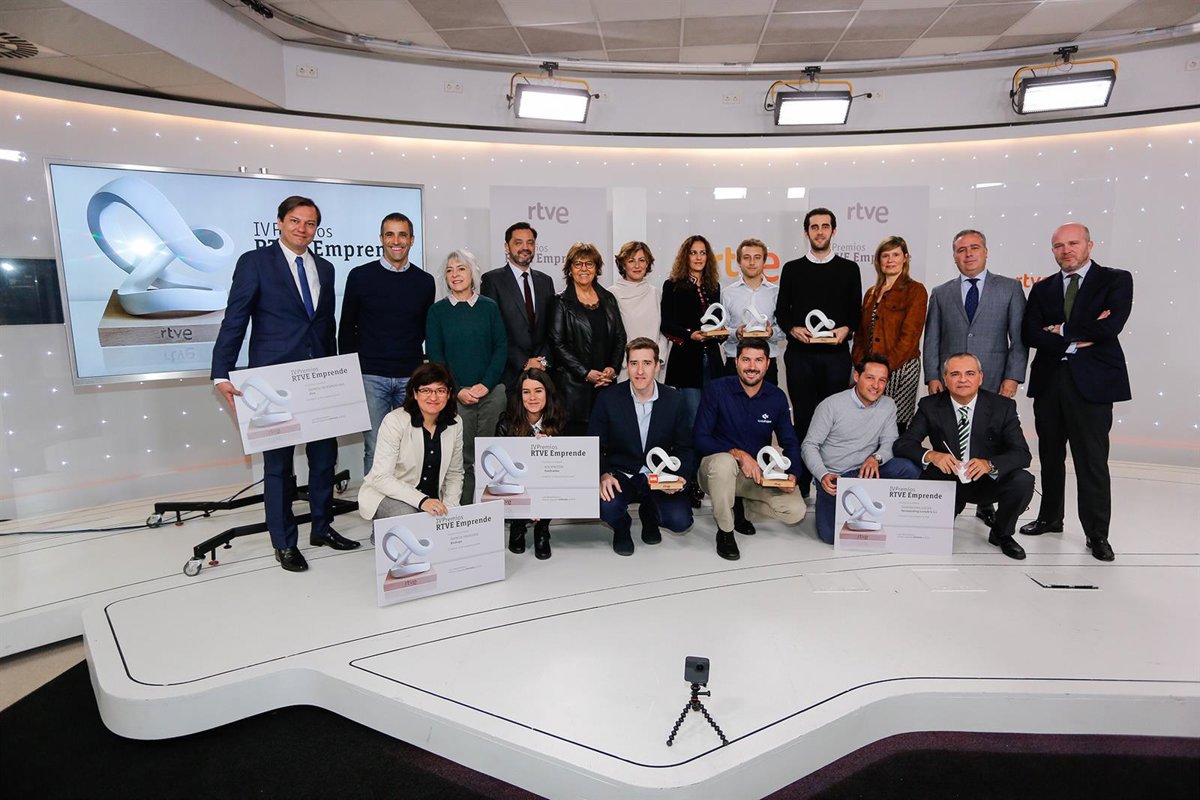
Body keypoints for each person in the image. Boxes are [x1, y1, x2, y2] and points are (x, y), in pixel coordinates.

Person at [211, 196, 358, 573]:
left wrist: (338, 373)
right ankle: (284, 543)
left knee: (324, 459)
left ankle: (322, 528)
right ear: (279, 222)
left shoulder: (325, 268)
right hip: (273, 382)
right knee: (278, 467)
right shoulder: (255, 262)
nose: (302, 229)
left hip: (319, 380)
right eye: (295, 221)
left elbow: (324, 325)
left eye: (310, 223)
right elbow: (235, 319)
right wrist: (221, 372)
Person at [1019, 223, 1133, 562]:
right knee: (1050, 456)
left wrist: (1060, 329)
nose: (1066, 250)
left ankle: (1097, 534)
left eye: (1073, 243)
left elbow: (1110, 326)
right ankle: (1050, 518)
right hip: (1049, 383)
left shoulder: (1115, 279)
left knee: (1091, 461)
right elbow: (1030, 333)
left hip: (1093, 384)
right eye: (1058, 246)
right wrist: (1077, 336)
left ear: (1089, 245)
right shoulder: (1043, 288)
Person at [922, 229, 1027, 528]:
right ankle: (955, 493)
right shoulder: (941, 292)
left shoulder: (1009, 288)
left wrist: (1013, 377)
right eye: (961, 250)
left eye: (974, 248)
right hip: (951, 380)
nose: (968, 254)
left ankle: (986, 501)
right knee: (957, 435)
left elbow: (1018, 339)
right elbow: (932, 338)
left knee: (988, 437)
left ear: (986, 252)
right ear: (954, 256)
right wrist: (933, 375)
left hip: (992, 377)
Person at [894, 353, 1034, 560]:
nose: (962, 380)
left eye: (970, 373)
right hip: (947, 480)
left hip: (986, 480)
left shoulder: (1002, 407)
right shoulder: (929, 405)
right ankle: (940, 522)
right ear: (945, 378)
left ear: (980, 377)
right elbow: (903, 444)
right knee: (928, 542)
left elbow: (1022, 454)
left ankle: (1002, 532)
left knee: (1023, 480)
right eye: (955, 374)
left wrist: (989, 464)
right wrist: (931, 455)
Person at [339, 212, 435, 476]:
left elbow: (425, 329)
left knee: (412, 448)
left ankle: (408, 501)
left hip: (410, 377)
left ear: (412, 240)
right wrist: (349, 375)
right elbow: (346, 328)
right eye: (390, 234)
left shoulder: (425, 282)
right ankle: (377, 502)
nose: (396, 241)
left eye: (402, 235)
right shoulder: (360, 276)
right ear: (381, 238)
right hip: (371, 377)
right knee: (375, 447)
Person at [775, 208, 863, 497]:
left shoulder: (849, 269)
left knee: (835, 420)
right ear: (806, 232)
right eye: (814, 227)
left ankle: (830, 481)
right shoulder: (792, 269)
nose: (820, 231)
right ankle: (802, 481)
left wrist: (847, 329)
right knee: (803, 418)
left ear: (833, 231)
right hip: (800, 356)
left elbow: (856, 311)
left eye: (825, 226)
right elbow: (781, 311)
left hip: (836, 357)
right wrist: (793, 329)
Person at [694, 338, 806, 561]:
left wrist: (793, 474)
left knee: (795, 510)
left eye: (758, 360)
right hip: (715, 472)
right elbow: (700, 438)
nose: (752, 366)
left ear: (767, 363)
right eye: (746, 360)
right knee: (724, 463)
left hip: (755, 475)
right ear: (736, 361)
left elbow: (790, 441)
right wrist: (737, 453)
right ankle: (725, 531)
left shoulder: (776, 397)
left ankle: (741, 508)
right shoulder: (716, 389)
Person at [588, 337, 695, 556]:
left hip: (659, 477)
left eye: (646, 363)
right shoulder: (608, 398)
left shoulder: (674, 400)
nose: (639, 371)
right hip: (621, 474)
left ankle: (649, 515)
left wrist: (681, 478)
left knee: (680, 520)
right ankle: (622, 527)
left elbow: (685, 447)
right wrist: (603, 474)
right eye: (634, 363)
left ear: (657, 366)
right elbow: (593, 444)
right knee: (605, 505)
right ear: (627, 366)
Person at [801, 355, 922, 545]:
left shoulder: (888, 405)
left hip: (867, 470)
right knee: (832, 536)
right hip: (835, 476)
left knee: (909, 468)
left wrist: (876, 458)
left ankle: (886, 511)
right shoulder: (831, 405)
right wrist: (823, 474)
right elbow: (809, 445)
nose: (876, 386)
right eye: (870, 378)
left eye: (882, 380)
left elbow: (890, 442)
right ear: (857, 376)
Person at [425, 249, 507, 505]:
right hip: (456, 396)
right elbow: (436, 357)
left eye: (461, 268)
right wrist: (457, 389)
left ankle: (492, 510)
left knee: (492, 455)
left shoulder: (489, 307)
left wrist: (486, 384)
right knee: (463, 458)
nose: (455, 274)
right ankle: (466, 513)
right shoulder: (437, 312)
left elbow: (501, 348)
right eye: (449, 270)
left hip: (491, 394)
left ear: (473, 273)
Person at [660, 234, 725, 508]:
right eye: (693, 253)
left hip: (713, 362)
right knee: (689, 425)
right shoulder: (673, 285)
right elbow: (666, 324)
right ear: (685, 256)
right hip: (686, 363)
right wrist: (690, 334)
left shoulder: (713, 286)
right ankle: (687, 482)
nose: (698, 257)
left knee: (711, 423)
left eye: (702, 253)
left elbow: (718, 321)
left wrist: (720, 333)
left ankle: (703, 479)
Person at [357, 363, 463, 528]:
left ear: (449, 394)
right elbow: (381, 477)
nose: (433, 397)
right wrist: (422, 501)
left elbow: (454, 473)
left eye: (440, 391)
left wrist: (451, 511)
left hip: (431, 498)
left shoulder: (455, 422)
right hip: (391, 495)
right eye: (426, 390)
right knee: (407, 516)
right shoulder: (395, 421)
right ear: (414, 393)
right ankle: (382, 531)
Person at [547, 242, 626, 435]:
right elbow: (557, 344)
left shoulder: (608, 299)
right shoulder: (560, 302)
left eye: (589, 264)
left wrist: (613, 368)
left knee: (606, 440)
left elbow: (620, 336)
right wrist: (585, 373)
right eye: (578, 264)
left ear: (597, 268)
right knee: (577, 442)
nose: (584, 269)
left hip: (605, 385)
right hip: (573, 389)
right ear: (570, 269)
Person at [850, 236, 929, 431]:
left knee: (895, 424)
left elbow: (910, 337)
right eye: (885, 255)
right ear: (878, 260)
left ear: (905, 258)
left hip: (901, 367)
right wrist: (861, 365)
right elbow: (860, 334)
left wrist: (884, 368)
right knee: (867, 423)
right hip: (870, 369)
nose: (890, 260)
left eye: (896, 255)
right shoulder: (871, 293)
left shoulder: (915, 290)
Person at [495, 368, 565, 559]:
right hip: (517, 484)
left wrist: (552, 450)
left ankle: (542, 529)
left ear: (547, 393)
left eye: (538, 391)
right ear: (520, 396)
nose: (532, 397)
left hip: (547, 483)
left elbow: (565, 471)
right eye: (526, 392)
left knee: (554, 484)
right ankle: (518, 526)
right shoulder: (505, 425)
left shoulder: (561, 423)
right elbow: (500, 472)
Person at [480, 222, 555, 390]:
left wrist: (542, 362)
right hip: (508, 374)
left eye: (530, 242)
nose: (525, 247)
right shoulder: (492, 280)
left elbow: (551, 328)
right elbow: (494, 331)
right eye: (518, 242)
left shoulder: (545, 281)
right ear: (507, 247)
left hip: (542, 374)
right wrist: (524, 362)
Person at [721, 238, 784, 386]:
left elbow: (784, 328)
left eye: (757, 257)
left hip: (767, 363)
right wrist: (736, 333)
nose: (752, 262)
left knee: (768, 402)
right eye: (746, 257)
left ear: (764, 261)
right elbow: (722, 330)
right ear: (738, 261)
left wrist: (771, 333)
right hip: (734, 362)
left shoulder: (776, 293)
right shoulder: (727, 293)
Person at [610, 240, 665, 376]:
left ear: (648, 264)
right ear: (623, 264)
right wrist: (625, 362)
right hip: (625, 366)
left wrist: (658, 359)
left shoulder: (655, 293)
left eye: (642, 260)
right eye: (631, 261)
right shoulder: (611, 294)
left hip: (653, 365)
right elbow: (611, 335)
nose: (637, 266)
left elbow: (662, 331)